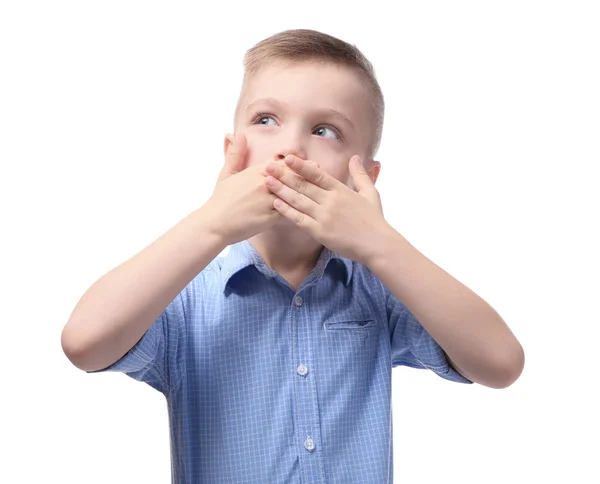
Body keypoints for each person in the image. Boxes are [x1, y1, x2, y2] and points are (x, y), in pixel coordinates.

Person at [61, 28, 524, 483]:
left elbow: (501, 363)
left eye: (326, 130)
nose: (290, 148)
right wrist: (212, 221)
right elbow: (84, 342)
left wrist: (380, 242)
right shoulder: (185, 297)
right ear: (233, 154)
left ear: (363, 178)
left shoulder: (377, 289)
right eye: (266, 120)